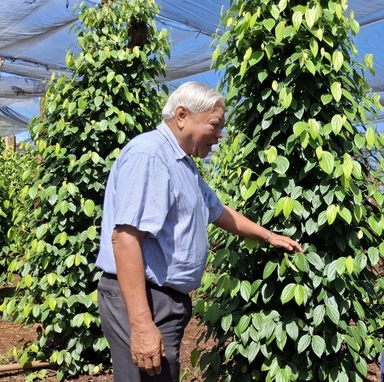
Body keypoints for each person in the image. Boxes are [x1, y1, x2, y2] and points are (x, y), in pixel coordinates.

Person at [95, 81, 303, 382]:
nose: (220, 136)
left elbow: (217, 210)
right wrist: (141, 325)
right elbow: (125, 239)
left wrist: (269, 236)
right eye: (215, 126)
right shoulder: (150, 156)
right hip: (143, 298)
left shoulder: (183, 163)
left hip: (163, 299)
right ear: (182, 115)